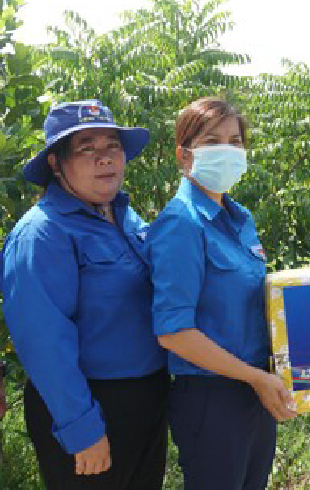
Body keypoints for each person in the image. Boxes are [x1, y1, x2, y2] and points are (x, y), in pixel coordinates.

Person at [1, 100, 168, 489]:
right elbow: (43, 343)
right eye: (86, 148)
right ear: (56, 164)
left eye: (112, 146)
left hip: (146, 398)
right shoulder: (43, 233)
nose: (104, 158)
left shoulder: (123, 215)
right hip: (91, 405)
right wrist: (82, 429)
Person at [145, 97, 296, 490]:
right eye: (212, 141)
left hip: (255, 387)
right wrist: (254, 378)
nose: (227, 151)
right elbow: (174, 332)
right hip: (212, 397)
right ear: (184, 155)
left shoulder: (240, 218)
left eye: (235, 141)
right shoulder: (180, 224)